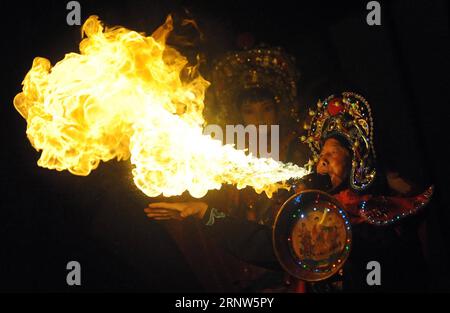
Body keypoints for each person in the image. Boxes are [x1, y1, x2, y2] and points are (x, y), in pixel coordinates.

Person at [145, 91, 434, 292]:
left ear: (355, 158)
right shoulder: (318, 209)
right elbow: (272, 245)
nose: (322, 160)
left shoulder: (382, 211)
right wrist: (206, 213)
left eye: (332, 152)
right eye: (321, 152)